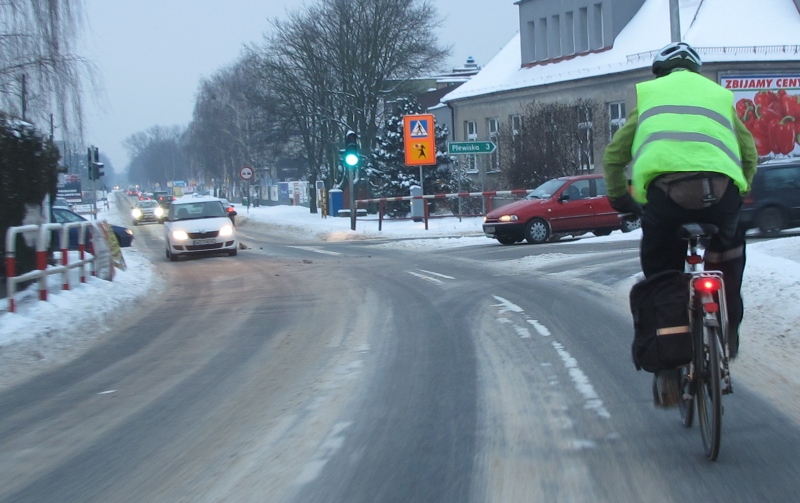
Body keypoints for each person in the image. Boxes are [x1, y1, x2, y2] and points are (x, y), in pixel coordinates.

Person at [602, 42, 758, 406]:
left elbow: (613, 158)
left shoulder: (651, 99)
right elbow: (749, 152)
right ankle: (729, 328)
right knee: (729, 255)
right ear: (696, 71)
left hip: (668, 200)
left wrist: (622, 200)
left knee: (661, 272)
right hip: (721, 195)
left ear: (659, 72)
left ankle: (668, 371)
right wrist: (739, 191)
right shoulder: (718, 97)